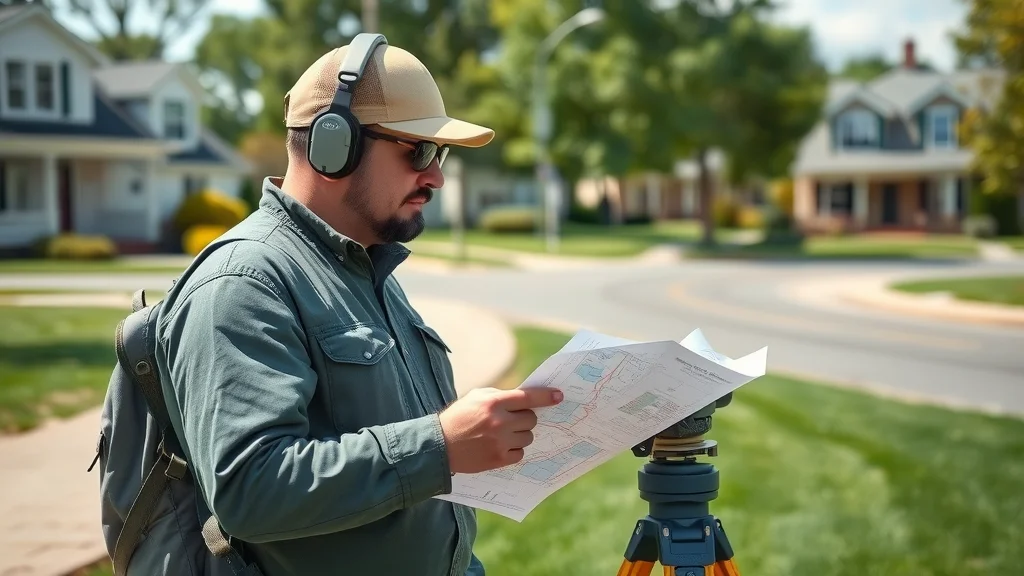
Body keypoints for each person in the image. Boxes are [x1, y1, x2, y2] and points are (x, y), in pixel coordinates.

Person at [153, 36, 564, 576]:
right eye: (418, 151)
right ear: (334, 144)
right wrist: (438, 446)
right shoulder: (242, 283)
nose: (436, 175)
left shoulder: (366, 266)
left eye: (438, 154)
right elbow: (249, 490)